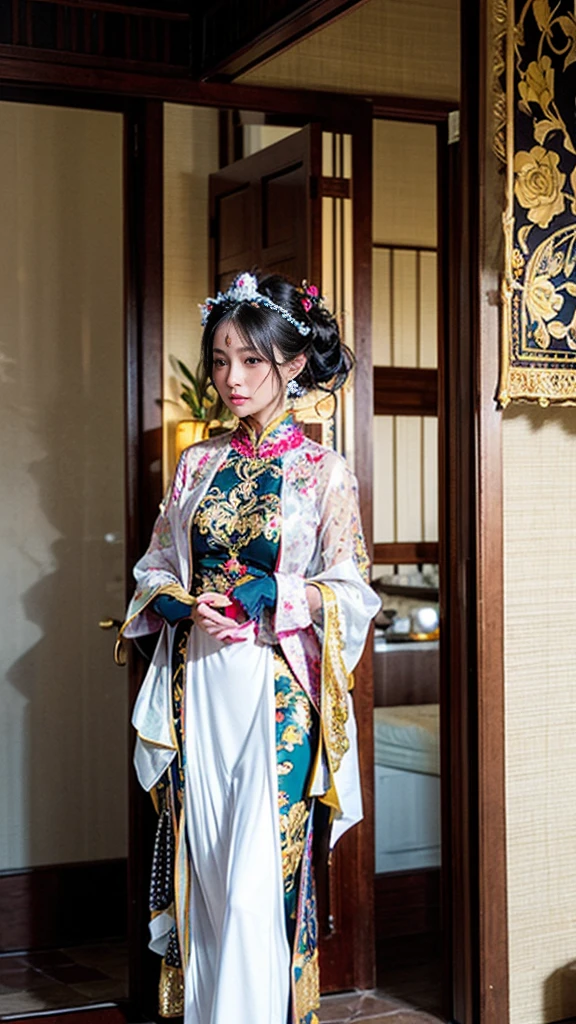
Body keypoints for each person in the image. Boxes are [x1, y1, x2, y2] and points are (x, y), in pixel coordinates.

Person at [119, 271, 380, 1024]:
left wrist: (283, 598)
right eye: (221, 359)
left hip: (279, 694)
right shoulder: (197, 465)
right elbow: (156, 564)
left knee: (262, 873)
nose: (232, 378)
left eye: (252, 361)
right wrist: (176, 600)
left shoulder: (324, 473)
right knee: (207, 866)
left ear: (293, 366)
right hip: (199, 682)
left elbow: (355, 590)